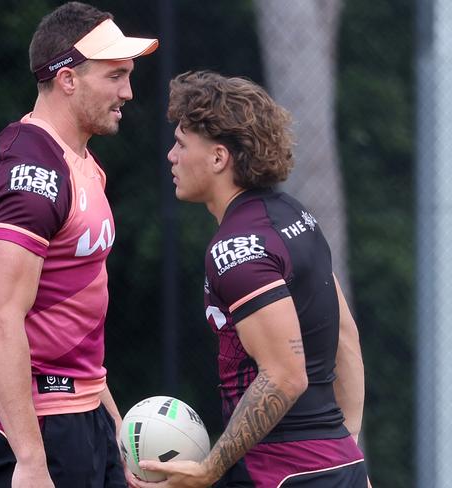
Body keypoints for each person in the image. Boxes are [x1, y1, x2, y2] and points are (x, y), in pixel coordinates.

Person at [134, 71, 370, 488]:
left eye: (182, 144)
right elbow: (345, 336)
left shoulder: (234, 249)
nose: (171, 156)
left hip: (281, 471)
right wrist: (346, 443)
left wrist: (210, 469)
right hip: (333, 462)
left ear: (219, 158)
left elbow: (284, 375)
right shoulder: (296, 216)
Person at [0, 3, 157, 487]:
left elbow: (76, 310)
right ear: (68, 79)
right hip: (41, 423)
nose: (128, 92)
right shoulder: (33, 174)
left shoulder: (81, 162)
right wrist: (29, 459)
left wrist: (111, 417)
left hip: (81, 410)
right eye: (115, 76)